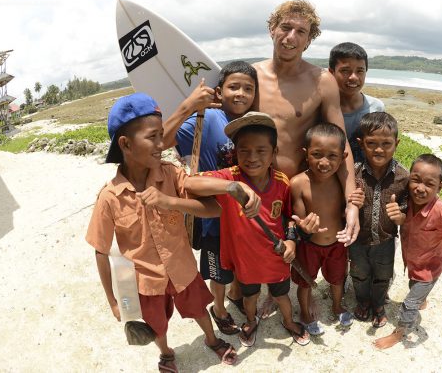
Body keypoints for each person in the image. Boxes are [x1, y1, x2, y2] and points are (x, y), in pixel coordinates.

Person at [86, 93, 238, 371]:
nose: (162, 144)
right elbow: (101, 250)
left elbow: (213, 209)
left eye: (163, 136)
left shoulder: (170, 174)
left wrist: (171, 201)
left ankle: (211, 338)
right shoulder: (109, 197)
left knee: (198, 309)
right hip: (146, 282)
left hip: (182, 268)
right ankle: (166, 352)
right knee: (156, 324)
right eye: (154, 137)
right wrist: (112, 301)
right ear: (126, 144)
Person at [180, 111, 311, 347]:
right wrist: (233, 186)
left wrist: (291, 242)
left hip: (276, 256)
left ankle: (289, 322)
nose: (252, 157)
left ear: (274, 153)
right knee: (250, 296)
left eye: (261, 150)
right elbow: (188, 183)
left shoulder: (282, 182)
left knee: (281, 294)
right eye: (244, 150)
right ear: (235, 152)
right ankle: (251, 321)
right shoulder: (230, 177)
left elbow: (290, 218)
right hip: (245, 260)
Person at [252, 0, 360, 247]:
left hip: (301, 192)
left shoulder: (322, 81)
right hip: (257, 188)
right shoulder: (251, 76)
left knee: (297, 264)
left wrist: (351, 204)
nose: (291, 37)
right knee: (248, 272)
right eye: (285, 27)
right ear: (272, 29)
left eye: (301, 32)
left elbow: (340, 145)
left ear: (309, 40)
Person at [162, 61, 258, 335]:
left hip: (243, 212)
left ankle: (235, 294)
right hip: (213, 213)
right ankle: (219, 307)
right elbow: (162, 143)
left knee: (239, 261)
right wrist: (188, 106)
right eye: (233, 87)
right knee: (218, 270)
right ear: (219, 91)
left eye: (248, 89)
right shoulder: (205, 118)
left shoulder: (251, 122)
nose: (240, 93)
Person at [373, 154, 442, 350]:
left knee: (409, 304)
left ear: (440, 187)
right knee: (414, 284)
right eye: (416, 180)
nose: (420, 188)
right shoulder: (407, 200)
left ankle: (399, 333)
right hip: (413, 261)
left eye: (429, 184)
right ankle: (422, 299)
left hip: (430, 268)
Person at [290, 123, 354, 335]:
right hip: (309, 246)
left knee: (337, 279)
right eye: (317, 154)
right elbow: (298, 218)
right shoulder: (298, 183)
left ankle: (337, 306)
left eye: (332, 156)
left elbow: (348, 209)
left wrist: (357, 202)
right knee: (305, 283)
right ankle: (305, 313)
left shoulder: (341, 181)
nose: (324, 162)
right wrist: (305, 226)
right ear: (305, 154)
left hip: (336, 243)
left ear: (343, 157)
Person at [349, 112, 409, 329]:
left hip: (385, 239)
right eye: (371, 143)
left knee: (382, 275)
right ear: (361, 144)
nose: (379, 149)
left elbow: (409, 210)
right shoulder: (353, 174)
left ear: (396, 144)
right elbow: (342, 205)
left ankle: (378, 304)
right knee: (358, 273)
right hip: (358, 239)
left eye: (386, 143)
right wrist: (350, 201)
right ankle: (363, 300)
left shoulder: (403, 176)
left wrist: (400, 214)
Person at [328, 42, 385, 162]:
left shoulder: (376, 108)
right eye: (345, 71)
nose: (353, 77)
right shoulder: (323, 108)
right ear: (331, 72)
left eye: (360, 71)